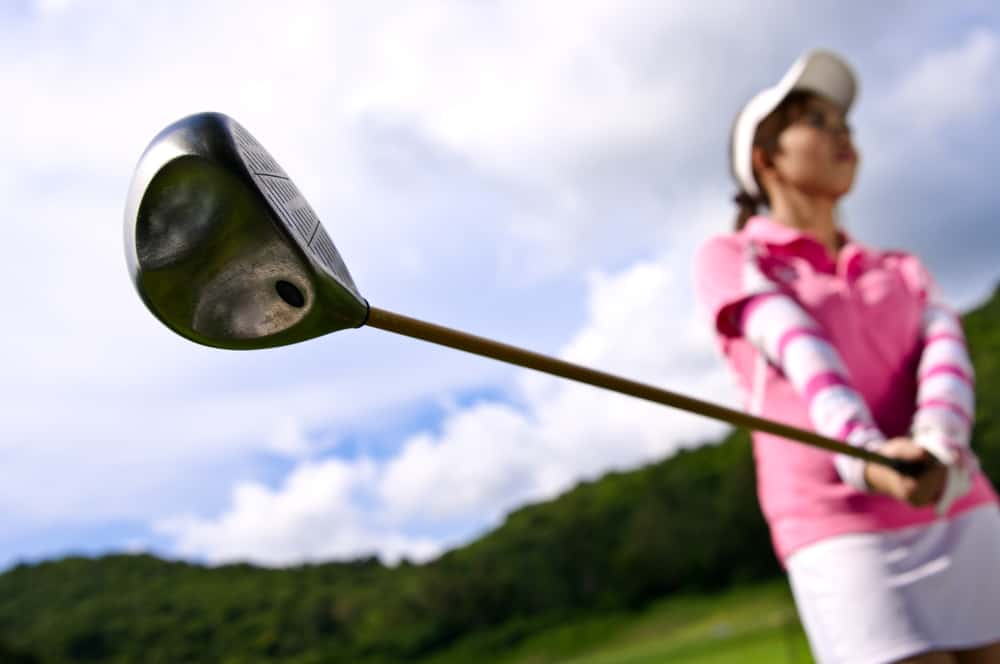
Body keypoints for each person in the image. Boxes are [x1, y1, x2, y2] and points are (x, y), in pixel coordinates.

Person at [694, 49, 1000, 664]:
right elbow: (800, 352)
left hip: (957, 502)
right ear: (765, 159)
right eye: (817, 121)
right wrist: (865, 458)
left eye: (846, 126)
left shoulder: (902, 266)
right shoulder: (733, 258)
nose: (841, 135)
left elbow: (947, 358)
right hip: (841, 528)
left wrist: (937, 446)